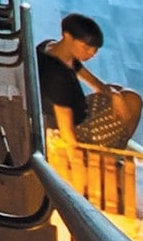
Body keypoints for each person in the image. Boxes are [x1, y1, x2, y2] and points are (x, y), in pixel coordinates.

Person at [36, 12, 106, 149]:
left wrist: (110, 92)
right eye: (87, 48)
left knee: (123, 95)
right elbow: (66, 129)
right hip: (73, 126)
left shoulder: (51, 47)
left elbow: (82, 71)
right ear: (67, 37)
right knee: (132, 103)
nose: (92, 54)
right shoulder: (58, 76)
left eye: (94, 50)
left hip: (76, 109)